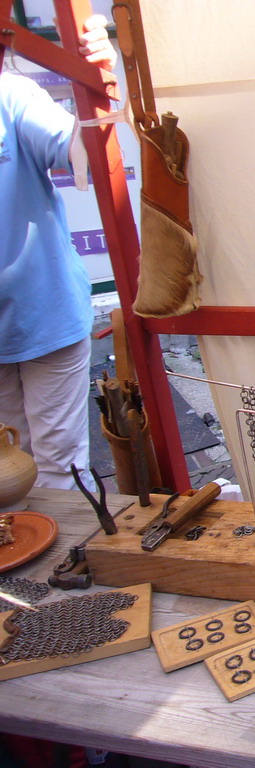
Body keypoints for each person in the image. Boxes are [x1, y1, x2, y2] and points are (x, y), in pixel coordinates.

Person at [0, 15, 116, 491]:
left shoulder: (10, 95)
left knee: (58, 467)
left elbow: (82, 149)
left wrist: (98, 87)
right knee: (10, 463)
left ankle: (69, 561)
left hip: (43, 315)